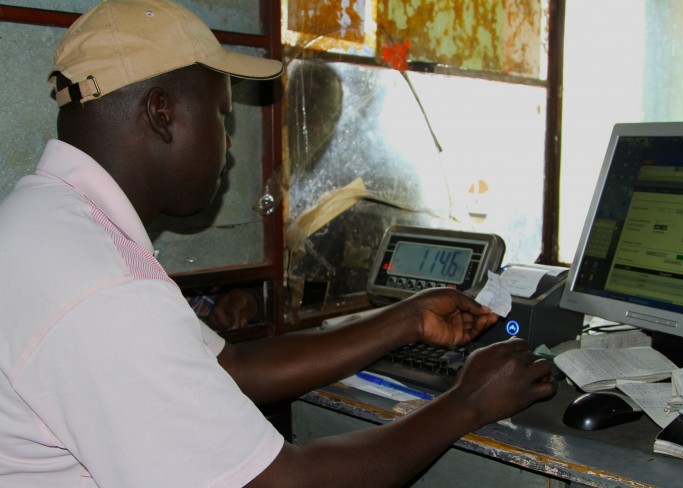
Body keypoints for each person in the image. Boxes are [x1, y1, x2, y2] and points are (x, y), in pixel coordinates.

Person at [0, 1, 557, 487]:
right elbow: (280, 484)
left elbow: (234, 366)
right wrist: (469, 402)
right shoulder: (105, 289)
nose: (230, 145)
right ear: (162, 114)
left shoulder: (45, 225)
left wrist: (405, 320)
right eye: (222, 115)